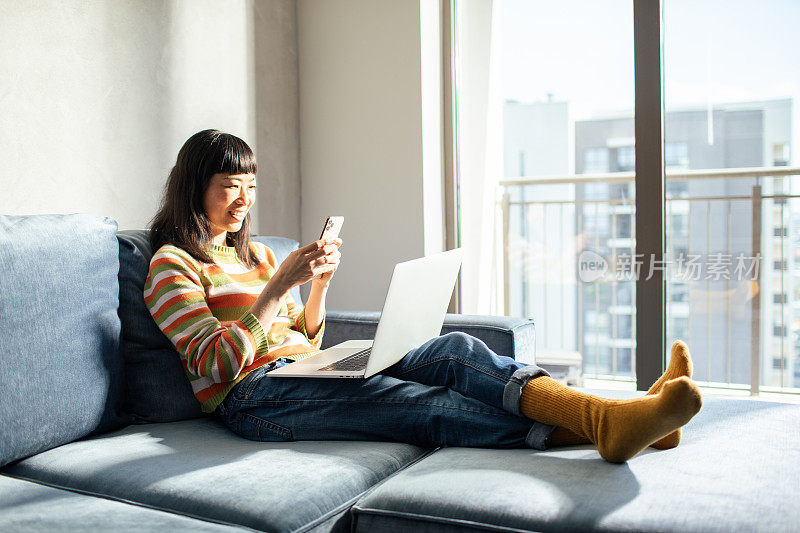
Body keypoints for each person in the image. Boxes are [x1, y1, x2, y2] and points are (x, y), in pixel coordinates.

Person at [144, 129, 702, 464]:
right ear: (196, 188)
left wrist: (317, 288)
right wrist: (278, 288)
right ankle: (618, 420)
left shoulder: (260, 254)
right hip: (253, 399)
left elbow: (305, 337)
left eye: (251, 188)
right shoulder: (173, 264)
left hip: (305, 368)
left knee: (451, 350)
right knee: (421, 406)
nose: (243, 201)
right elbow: (215, 364)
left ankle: (627, 417)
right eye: (228, 187)